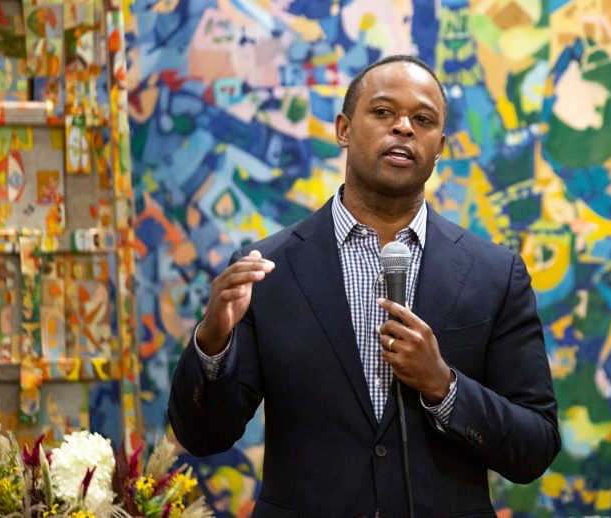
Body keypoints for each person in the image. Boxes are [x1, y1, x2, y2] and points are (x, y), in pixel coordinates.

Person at [169, 55, 560, 517]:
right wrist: (213, 344)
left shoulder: (495, 274)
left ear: (439, 147)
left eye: (423, 119)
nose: (403, 128)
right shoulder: (267, 270)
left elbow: (535, 444)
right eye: (382, 112)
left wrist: (443, 386)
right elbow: (204, 436)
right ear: (343, 129)